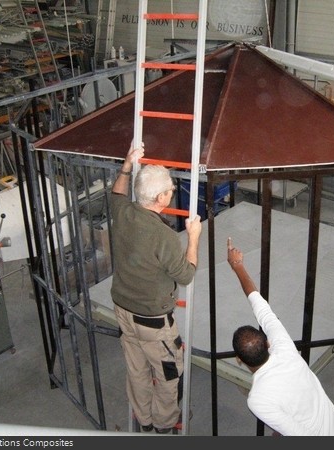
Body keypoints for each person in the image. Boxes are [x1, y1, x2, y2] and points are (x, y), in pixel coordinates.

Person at [110, 143, 202, 434]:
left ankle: (144, 422)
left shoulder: (123, 212)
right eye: (170, 190)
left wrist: (127, 164)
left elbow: (117, 193)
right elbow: (186, 275)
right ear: (161, 197)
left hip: (123, 313)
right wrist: (193, 237)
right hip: (152, 322)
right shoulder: (164, 237)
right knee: (168, 376)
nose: (172, 192)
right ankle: (163, 427)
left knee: (137, 372)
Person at [226, 237, 334, 436]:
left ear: (239, 359)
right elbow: (261, 307)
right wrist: (238, 265)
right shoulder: (284, 348)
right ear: (267, 343)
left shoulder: (258, 399)